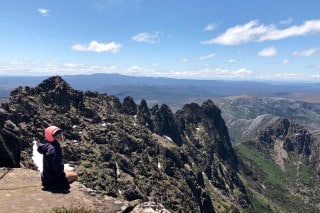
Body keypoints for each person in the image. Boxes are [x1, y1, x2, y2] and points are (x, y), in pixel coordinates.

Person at [37, 125, 78, 191]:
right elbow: (58, 169)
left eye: (60, 134)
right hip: (53, 181)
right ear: (51, 137)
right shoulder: (55, 150)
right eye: (56, 136)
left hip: (46, 177)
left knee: (69, 171)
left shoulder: (47, 145)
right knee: (75, 175)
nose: (60, 137)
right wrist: (65, 185)